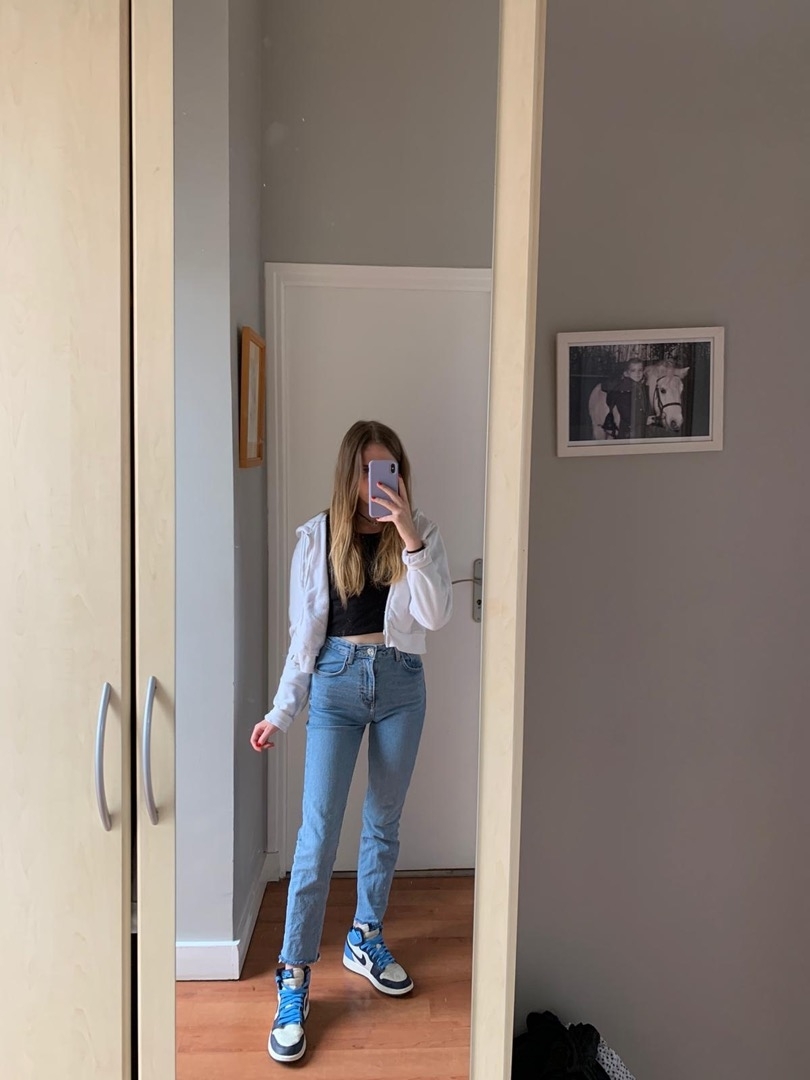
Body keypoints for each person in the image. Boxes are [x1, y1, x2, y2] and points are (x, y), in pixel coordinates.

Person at [250, 419, 453, 1064]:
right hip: (335, 684)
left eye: (387, 468)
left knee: (383, 824)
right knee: (316, 836)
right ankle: (294, 975)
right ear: (350, 474)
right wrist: (282, 711)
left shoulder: (421, 533)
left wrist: (410, 536)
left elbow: (436, 616)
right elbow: (302, 638)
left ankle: (364, 936)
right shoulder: (316, 538)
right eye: (367, 470)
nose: (377, 482)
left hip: (401, 683)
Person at [603, 358, 653, 439]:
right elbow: (626, 415)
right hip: (628, 433)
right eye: (633, 370)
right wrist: (645, 420)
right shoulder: (624, 390)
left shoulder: (642, 387)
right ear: (627, 373)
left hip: (640, 430)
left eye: (640, 370)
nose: (637, 373)